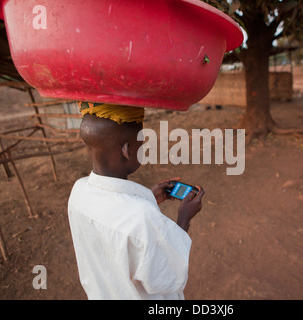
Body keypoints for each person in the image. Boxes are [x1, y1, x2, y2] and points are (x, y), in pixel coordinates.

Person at [68, 102, 205, 299]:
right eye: (142, 142)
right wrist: (184, 218)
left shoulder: (78, 191)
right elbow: (168, 275)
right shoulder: (141, 216)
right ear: (127, 150)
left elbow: (114, 225)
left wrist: (148, 197)